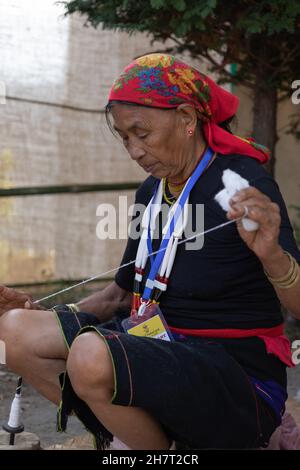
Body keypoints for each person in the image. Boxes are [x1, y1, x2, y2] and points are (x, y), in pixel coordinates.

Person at [0, 53, 299, 450]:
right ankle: (134, 438)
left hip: (235, 378)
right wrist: (37, 312)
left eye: (142, 133)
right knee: (13, 332)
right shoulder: (152, 194)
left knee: (91, 355)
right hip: (155, 351)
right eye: (125, 137)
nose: (134, 150)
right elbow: (119, 295)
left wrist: (272, 256)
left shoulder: (241, 184)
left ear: (187, 119)